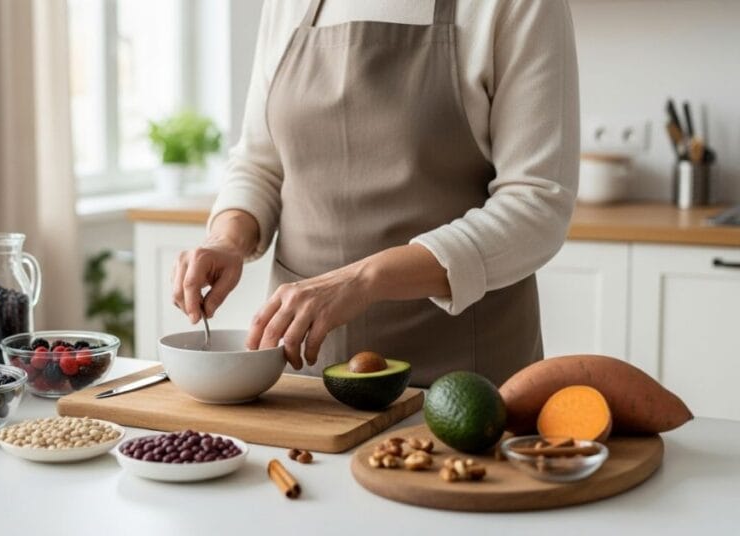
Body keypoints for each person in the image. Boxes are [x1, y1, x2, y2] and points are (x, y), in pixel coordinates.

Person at [172, 0, 579, 387]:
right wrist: (227, 239)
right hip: (303, 368)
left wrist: (362, 280)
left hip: (462, 375)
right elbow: (260, 162)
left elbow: (536, 204)